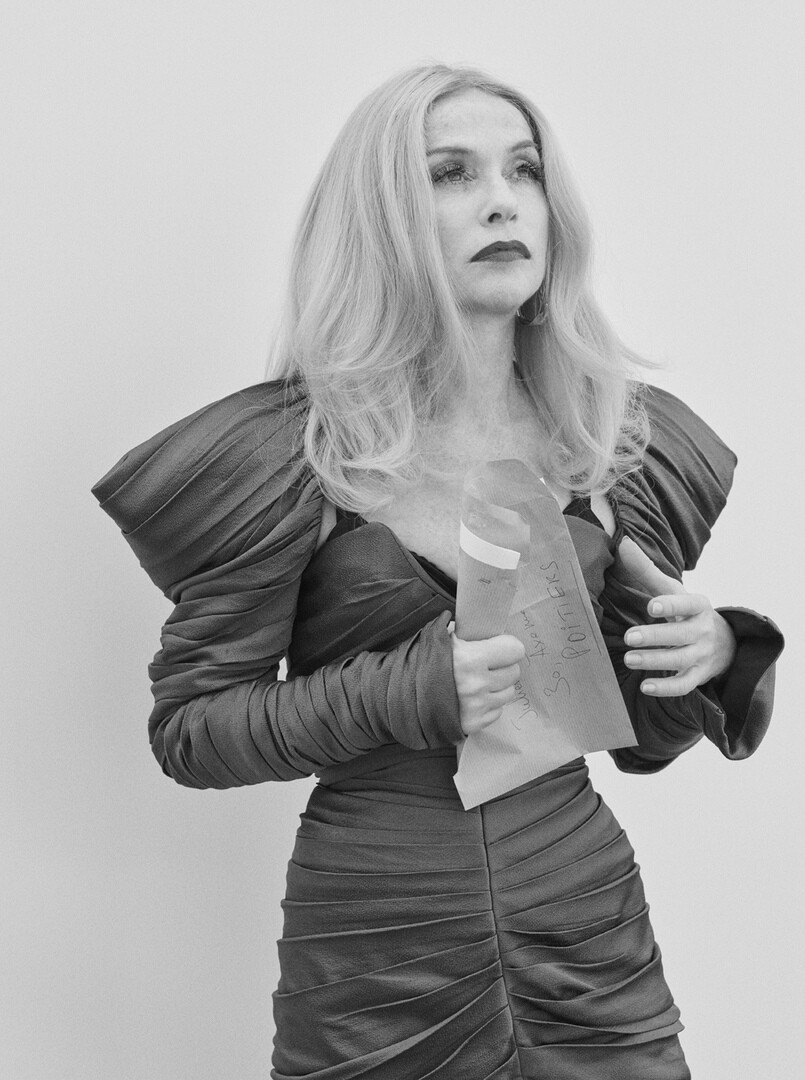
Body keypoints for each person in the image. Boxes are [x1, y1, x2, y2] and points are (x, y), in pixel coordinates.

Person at [93, 64, 783, 1080]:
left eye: (524, 170)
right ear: (379, 219)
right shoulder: (286, 458)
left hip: (584, 924)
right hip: (380, 948)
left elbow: (636, 741)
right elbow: (191, 731)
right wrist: (411, 690)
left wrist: (709, 655)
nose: (502, 201)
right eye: (450, 173)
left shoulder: (615, 448)